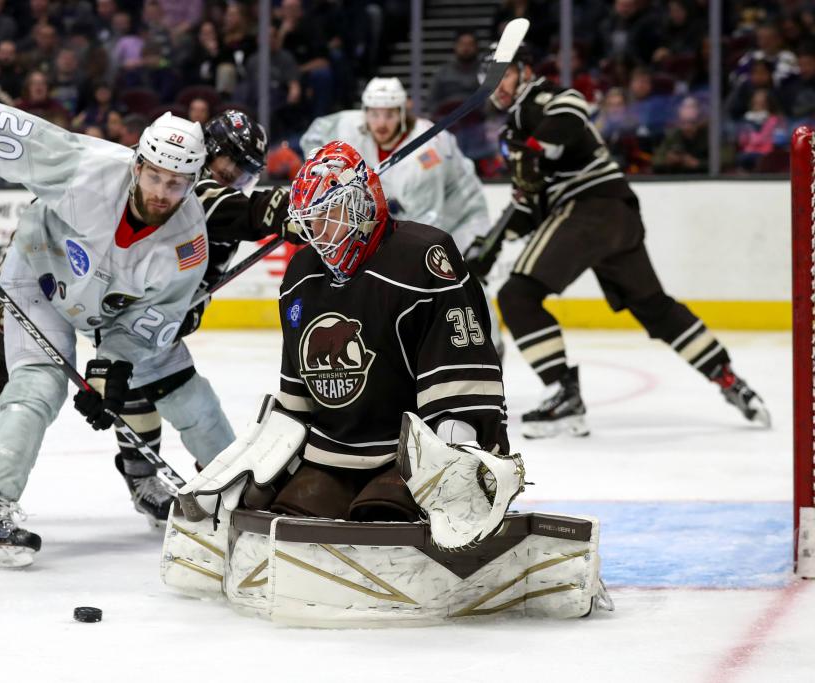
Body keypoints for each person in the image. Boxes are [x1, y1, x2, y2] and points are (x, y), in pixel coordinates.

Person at [0, 107, 237, 567]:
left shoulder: (189, 244)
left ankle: (243, 496)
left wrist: (110, 368)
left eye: (176, 183)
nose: (161, 192)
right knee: (38, 385)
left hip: (119, 309)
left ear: (194, 181)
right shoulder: (85, 168)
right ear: (138, 164)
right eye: (154, 176)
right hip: (38, 274)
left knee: (186, 392)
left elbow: (150, 324)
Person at [477, 46, 770, 439]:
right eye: (492, 76)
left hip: (589, 209)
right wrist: (491, 244)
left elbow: (572, 109)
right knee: (654, 307)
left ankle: (564, 396)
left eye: (505, 73)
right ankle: (729, 378)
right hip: (616, 214)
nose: (498, 83)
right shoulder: (515, 129)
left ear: (525, 71)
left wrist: (531, 152)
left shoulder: (541, 98)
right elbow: (528, 204)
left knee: (517, 296)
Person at [266, 140, 508, 521]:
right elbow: (296, 393)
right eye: (311, 219)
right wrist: (264, 462)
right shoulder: (300, 275)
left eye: (330, 215)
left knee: (383, 513)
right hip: (334, 452)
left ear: (362, 205)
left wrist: (458, 459)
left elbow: (461, 371)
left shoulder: (423, 258)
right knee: (289, 513)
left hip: (413, 451)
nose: (319, 233)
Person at [299, 76, 499, 351]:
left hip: (460, 216)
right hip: (408, 209)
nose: (381, 123)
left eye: (390, 114)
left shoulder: (428, 153)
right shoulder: (348, 124)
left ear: (403, 112)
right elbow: (313, 137)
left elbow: (425, 228)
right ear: (365, 111)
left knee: (457, 275)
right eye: (374, 114)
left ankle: (488, 345)